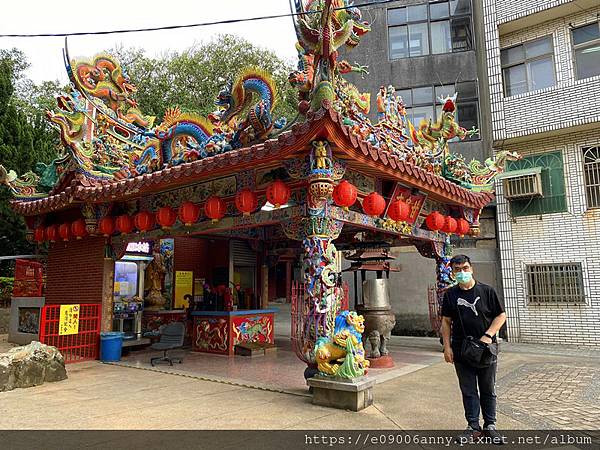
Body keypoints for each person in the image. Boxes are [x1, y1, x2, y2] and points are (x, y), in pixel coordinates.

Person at [441, 254, 506, 444]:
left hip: (486, 349)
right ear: (452, 272)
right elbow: (445, 322)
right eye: (457, 270)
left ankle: (490, 426)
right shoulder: (450, 295)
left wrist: (487, 336)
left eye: (465, 268)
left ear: (472, 269)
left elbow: (501, 315)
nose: (462, 273)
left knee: (488, 388)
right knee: (468, 389)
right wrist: (447, 347)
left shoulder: (487, 291)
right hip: (462, 349)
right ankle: (473, 426)